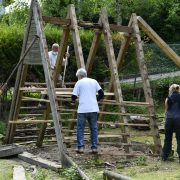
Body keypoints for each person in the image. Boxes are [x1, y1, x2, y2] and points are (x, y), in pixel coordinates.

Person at [71, 68, 104, 154]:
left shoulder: (79, 83)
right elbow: (102, 93)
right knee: (93, 128)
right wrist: (96, 100)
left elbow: (73, 96)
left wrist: (72, 102)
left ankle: (81, 147)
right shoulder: (94, 81)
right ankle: (94, 148)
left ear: (79, 76)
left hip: (82, 109)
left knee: (80, 128)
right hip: (93, 109)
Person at [38, 43, 69, 109]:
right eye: (55, 48)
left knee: (62, 85)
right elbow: (47, 63)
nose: (56, 50)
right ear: (53, 48)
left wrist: (66, 58)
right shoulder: (48, 54)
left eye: (57, 48)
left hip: (57, 72)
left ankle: (67, 101)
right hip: (51, 71)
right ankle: (41, 102)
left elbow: (64, 64)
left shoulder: (59, 55)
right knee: (49, 86)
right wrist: (52, 67)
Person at [162, 84, 180, 162]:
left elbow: (166, 110)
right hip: (179, 119)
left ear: (171, 90)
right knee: (179, 138)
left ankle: (165, 156)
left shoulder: (167, 98)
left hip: (169, 119)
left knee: (167, 138)